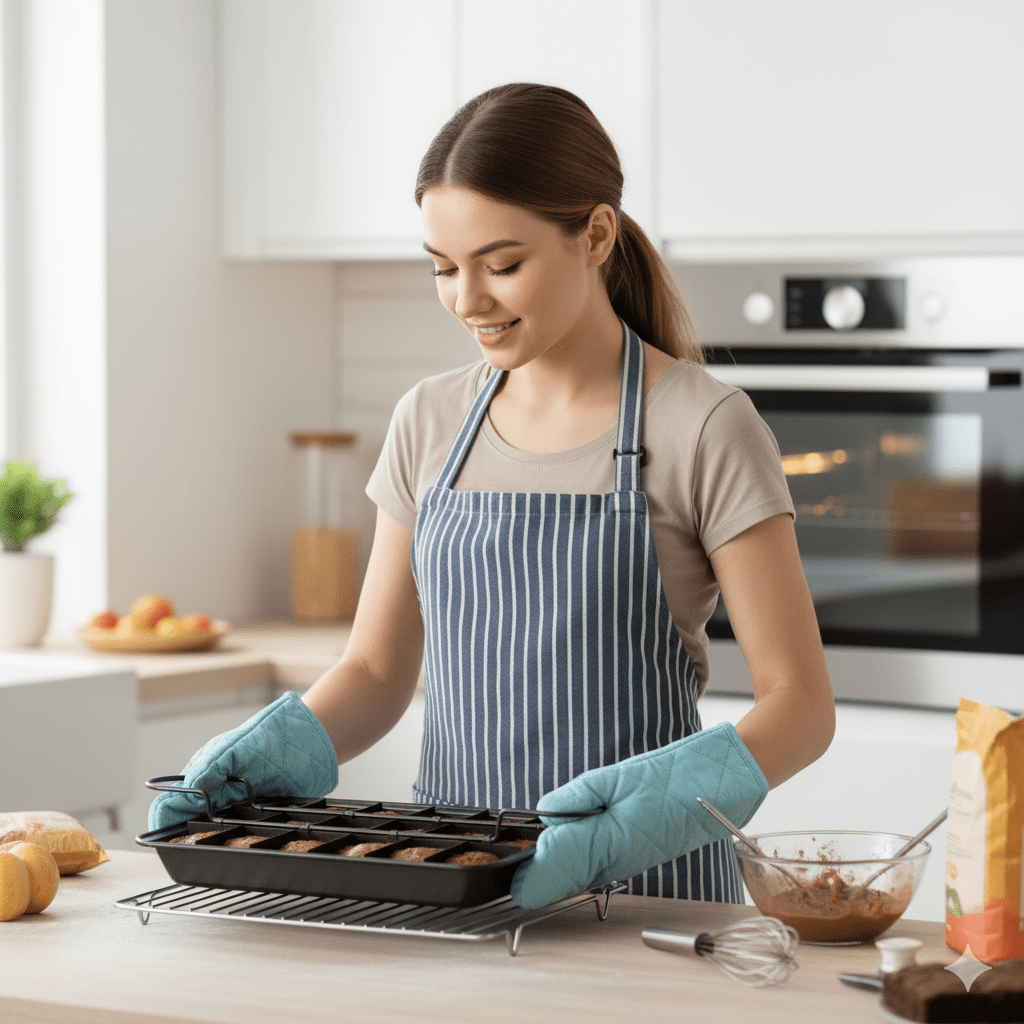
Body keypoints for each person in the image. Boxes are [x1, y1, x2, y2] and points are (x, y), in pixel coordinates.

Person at [150, 83, 835, 908]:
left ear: (596, 234)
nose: (467, 300)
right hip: (453, 888)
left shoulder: (705, 424)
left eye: (502, 265)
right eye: (443, 268)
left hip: (649, 901)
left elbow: (800, 705)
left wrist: (651, 811)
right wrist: (271, 753)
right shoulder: (429, 420)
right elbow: (374, 669)